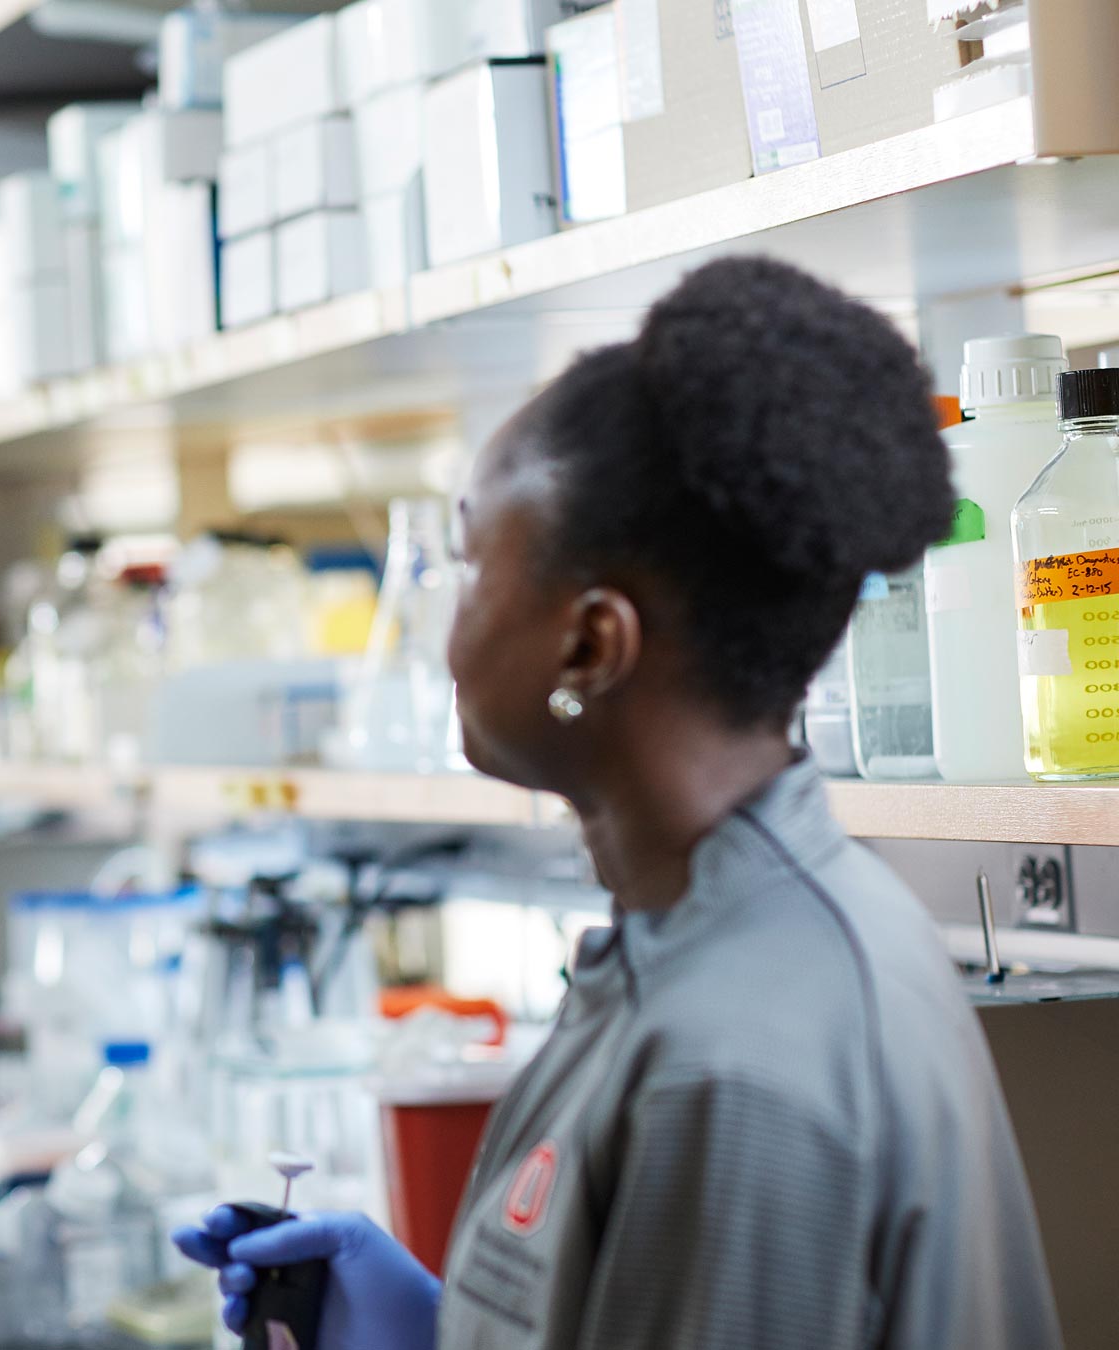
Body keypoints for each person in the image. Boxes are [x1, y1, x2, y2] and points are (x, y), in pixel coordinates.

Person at [175, 257, 1061, 1349]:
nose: (440, 627)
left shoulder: (734, 1066)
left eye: (469, 569)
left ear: (591, 644)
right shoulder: (696, 941)